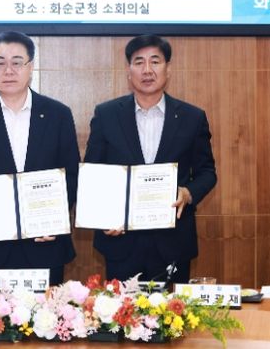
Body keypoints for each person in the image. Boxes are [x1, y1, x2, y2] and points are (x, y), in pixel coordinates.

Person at [84, 34, 217, 284]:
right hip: (121, 241)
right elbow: (92, 172)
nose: (147, 70)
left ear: (168, 68)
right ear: (128, 70)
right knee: (120, 310)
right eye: (139, 62)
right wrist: (104, 216)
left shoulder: (192, 117)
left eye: (155, 61)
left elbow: (207, 172)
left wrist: (188, 193)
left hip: (173, 242)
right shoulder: (106, 115)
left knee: (174, 310)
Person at [0, 31, 80, 286]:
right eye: (0, 63)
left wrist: (54, 219)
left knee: (48, 312)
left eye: (17, 62)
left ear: (30, 67)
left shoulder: (58, 114)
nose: (8, 70)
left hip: (45, 244)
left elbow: (71, 173)